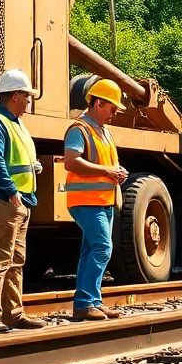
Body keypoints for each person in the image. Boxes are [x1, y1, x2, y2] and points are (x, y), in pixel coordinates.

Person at [0, 69, 46, 333]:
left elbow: (11, 160)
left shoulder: (14, 123)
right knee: (0, 259)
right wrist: (11, 191)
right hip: (4, 200)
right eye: (27, 96)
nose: (29, 101)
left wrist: (32, 168)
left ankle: (13, 314)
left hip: (17, 201)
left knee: (15, 260)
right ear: (15, 95)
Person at [64, 78, 130, 320]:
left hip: (103, 200)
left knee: (91, 250)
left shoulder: (103, 131)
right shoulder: (79, 129)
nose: (114, 113)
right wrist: (107, 172)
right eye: (112, 107)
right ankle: (84, 302)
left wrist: (116, 171)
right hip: (86, 200)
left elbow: (105, 164)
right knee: (102, 248)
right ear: (99, 103)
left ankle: (91, 301)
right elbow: (71, 161)